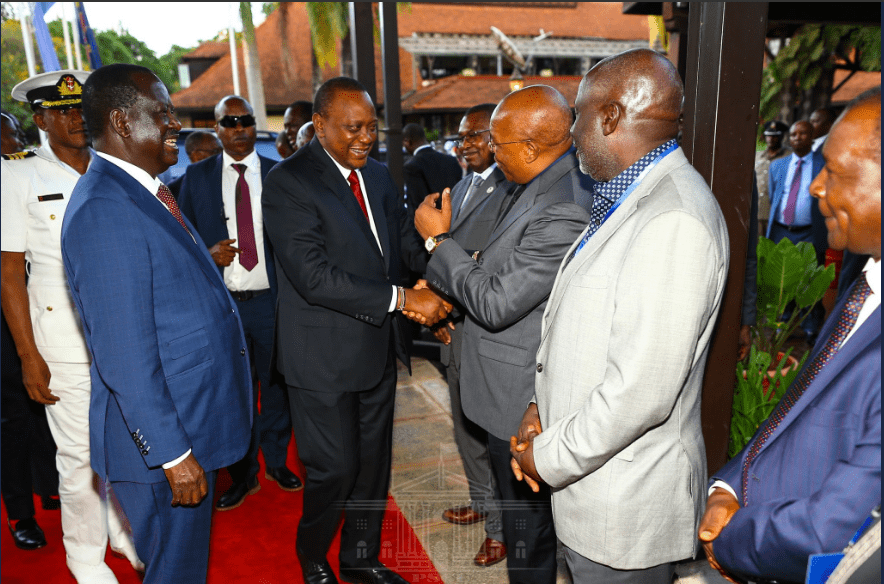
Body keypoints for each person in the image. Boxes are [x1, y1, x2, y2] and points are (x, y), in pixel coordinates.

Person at [509, 49, 729, 584]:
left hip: (624, 511)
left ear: (609, 118)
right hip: (597, 487)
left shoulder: (673, 218)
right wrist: (541, 404)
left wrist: (547, 457)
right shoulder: (628, 196)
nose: (571, 134)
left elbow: (639, 394)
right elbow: (576, 324)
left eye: (577, 118)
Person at [61, 63, 253, 583]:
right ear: (123, 122)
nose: (176, 123)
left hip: (190, 416)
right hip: (165, 441)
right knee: (175, 573)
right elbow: (125, 356)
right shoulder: (105, 209)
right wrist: (172, 454)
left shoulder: (142, 189)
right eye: (162, 112)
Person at [262, 76, 449, 584]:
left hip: (376, 347)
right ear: (318, 125)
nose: (366, 138)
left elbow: (398, 250)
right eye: (353, 128)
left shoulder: (380, 178)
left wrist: (438, 252)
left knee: (372, 468)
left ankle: (360, 558)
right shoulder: (289, 181)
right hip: (320, 357)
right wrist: (404, 298)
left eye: (371, 126)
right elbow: (313, 275)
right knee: (333, 470)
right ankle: (314, 555)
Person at [698, 86, 881, 584]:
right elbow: (798, 407)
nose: (818, 187)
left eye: (837, 172)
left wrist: (730, 543)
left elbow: (833, 529)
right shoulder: (863, 286)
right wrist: (730, 489)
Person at [415, 84, 592, 584]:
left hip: (519, 398)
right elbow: (504, 268)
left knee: (528, 536)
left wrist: (438, 240)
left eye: (498, 142)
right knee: (522, 528)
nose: (491, 152)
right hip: (500, 387)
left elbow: (496, 303)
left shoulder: (563, 204)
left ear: (532, 148)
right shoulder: (538, 182)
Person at [1, 70, 142, 583]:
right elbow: (10, 271)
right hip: (61, 342)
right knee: (79, 455)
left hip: (124, 338)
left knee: (128, 441)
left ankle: (122, 529)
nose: (75, 117)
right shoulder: (17, 176)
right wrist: (27, 355)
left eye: (80, 107)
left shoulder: (113, 168)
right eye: (61, 110)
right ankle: (84, 557)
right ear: (39, 119)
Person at [178, 95, 302, 511]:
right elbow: (177, 236)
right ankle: (242, 473)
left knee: (277, 385)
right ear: (217, 128)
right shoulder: (195, 178)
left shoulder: (280, 173)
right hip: (223, 305)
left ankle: (277, 462)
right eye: (229, 121)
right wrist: (205, 252)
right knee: (235, 391)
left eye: (245, 120)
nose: (238, 128)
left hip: (272, 302)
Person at [432, 103, 511, 568]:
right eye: (459, 138)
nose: (464, 146)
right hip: (453, 332)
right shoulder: (459, 186)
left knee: (493, 437)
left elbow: (495, 270)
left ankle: (501, 529)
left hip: (487, 331)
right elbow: (442, 254)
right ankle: (482, 505)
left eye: (474, 136)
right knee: (465, 431)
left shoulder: (514, 192)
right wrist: (437, 305)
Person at [767, 119, 827, 340]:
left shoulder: (823, 165)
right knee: (783, 279)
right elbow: (775, 197)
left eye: (802, 134)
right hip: (782, 231)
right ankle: (782, 322)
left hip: (810, 231)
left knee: (809, 278)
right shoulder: (778, 166)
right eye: (793, 134)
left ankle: (810, 327)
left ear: (812, 137)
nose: (797, 138)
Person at [402, 122, 463, 216]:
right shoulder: (451, 160)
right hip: (454, 221)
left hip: (431, 226)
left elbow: (418, 204)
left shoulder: (412, 166)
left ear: (408, 141)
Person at [754, 120, 791, 235]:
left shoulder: (789, 157)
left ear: (781, 137)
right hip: (757, 211)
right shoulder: (757, 156)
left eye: (775, 136)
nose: (771, 139)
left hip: (777, 213)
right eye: (768, 135)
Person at [166, 130, 223, 199]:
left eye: (222, 151)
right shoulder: (175, 190)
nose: (222, 155)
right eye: (216, 151)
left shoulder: (228, 181)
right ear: (197, 156)